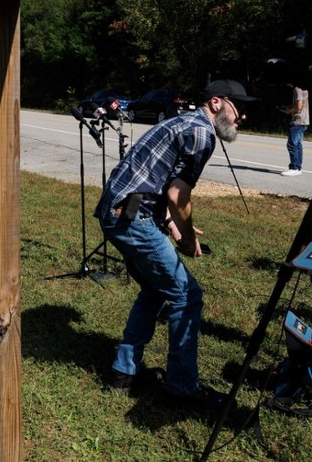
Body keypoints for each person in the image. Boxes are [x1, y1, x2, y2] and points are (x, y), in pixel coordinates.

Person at [95, 79, 258, 410]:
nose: (242, 116)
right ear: (216, 103)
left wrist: (171, 224)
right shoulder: (201, 133)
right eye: (238, 107)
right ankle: (182, 387)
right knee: (187, 295)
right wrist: (185, 237)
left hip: (120, 214)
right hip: (132, 219)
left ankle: (123, 373)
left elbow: (156, 180)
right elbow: (177, 194)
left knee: (156, 289)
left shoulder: (183, 122)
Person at [280, 82, 309, 176]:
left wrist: (289, 111)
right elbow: (300, 104)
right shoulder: (303, 88)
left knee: (292, 144)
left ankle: (294, 168)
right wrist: (288, 107)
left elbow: (299, 107)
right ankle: (297, 167)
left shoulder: (297, 89)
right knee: (297, 145)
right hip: (303, 120)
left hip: (298, 120)